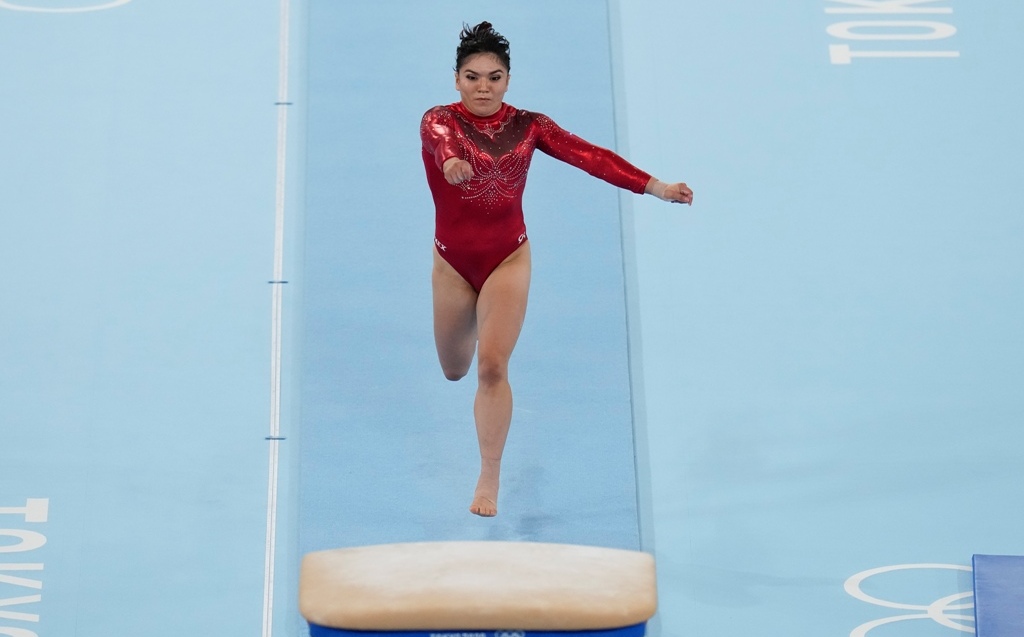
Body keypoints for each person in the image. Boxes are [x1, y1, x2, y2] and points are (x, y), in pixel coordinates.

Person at [421, 21, 693, 517]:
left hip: (507, 257)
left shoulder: (530, 126)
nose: (484, 87)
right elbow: (443, 144)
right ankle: (467, 361)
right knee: (455, 369)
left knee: (492, 365)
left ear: (508, 80)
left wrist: (655, 186)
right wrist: (451, 163)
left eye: (495, 77)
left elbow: (591, 156)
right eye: (473, 76)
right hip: (453, 265)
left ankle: (489, 475)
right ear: (456, 79)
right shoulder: (438, 119)